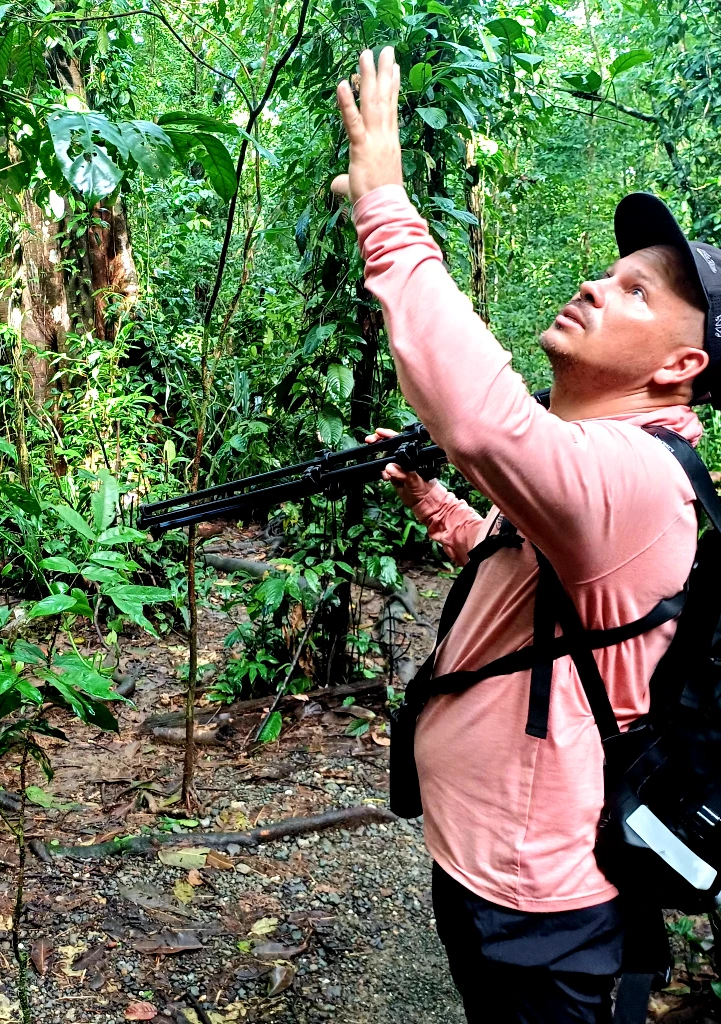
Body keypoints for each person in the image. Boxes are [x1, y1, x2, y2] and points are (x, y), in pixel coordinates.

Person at [332, 46, 721, 1023]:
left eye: (634, 292)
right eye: (610, 271)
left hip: (538, 902)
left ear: (682, 364)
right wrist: (445, 510)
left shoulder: (631, 476)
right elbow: (550, 600)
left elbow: (481, 420)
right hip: (484, 870)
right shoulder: (599, 457)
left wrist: (386, 208)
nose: (597, 286)